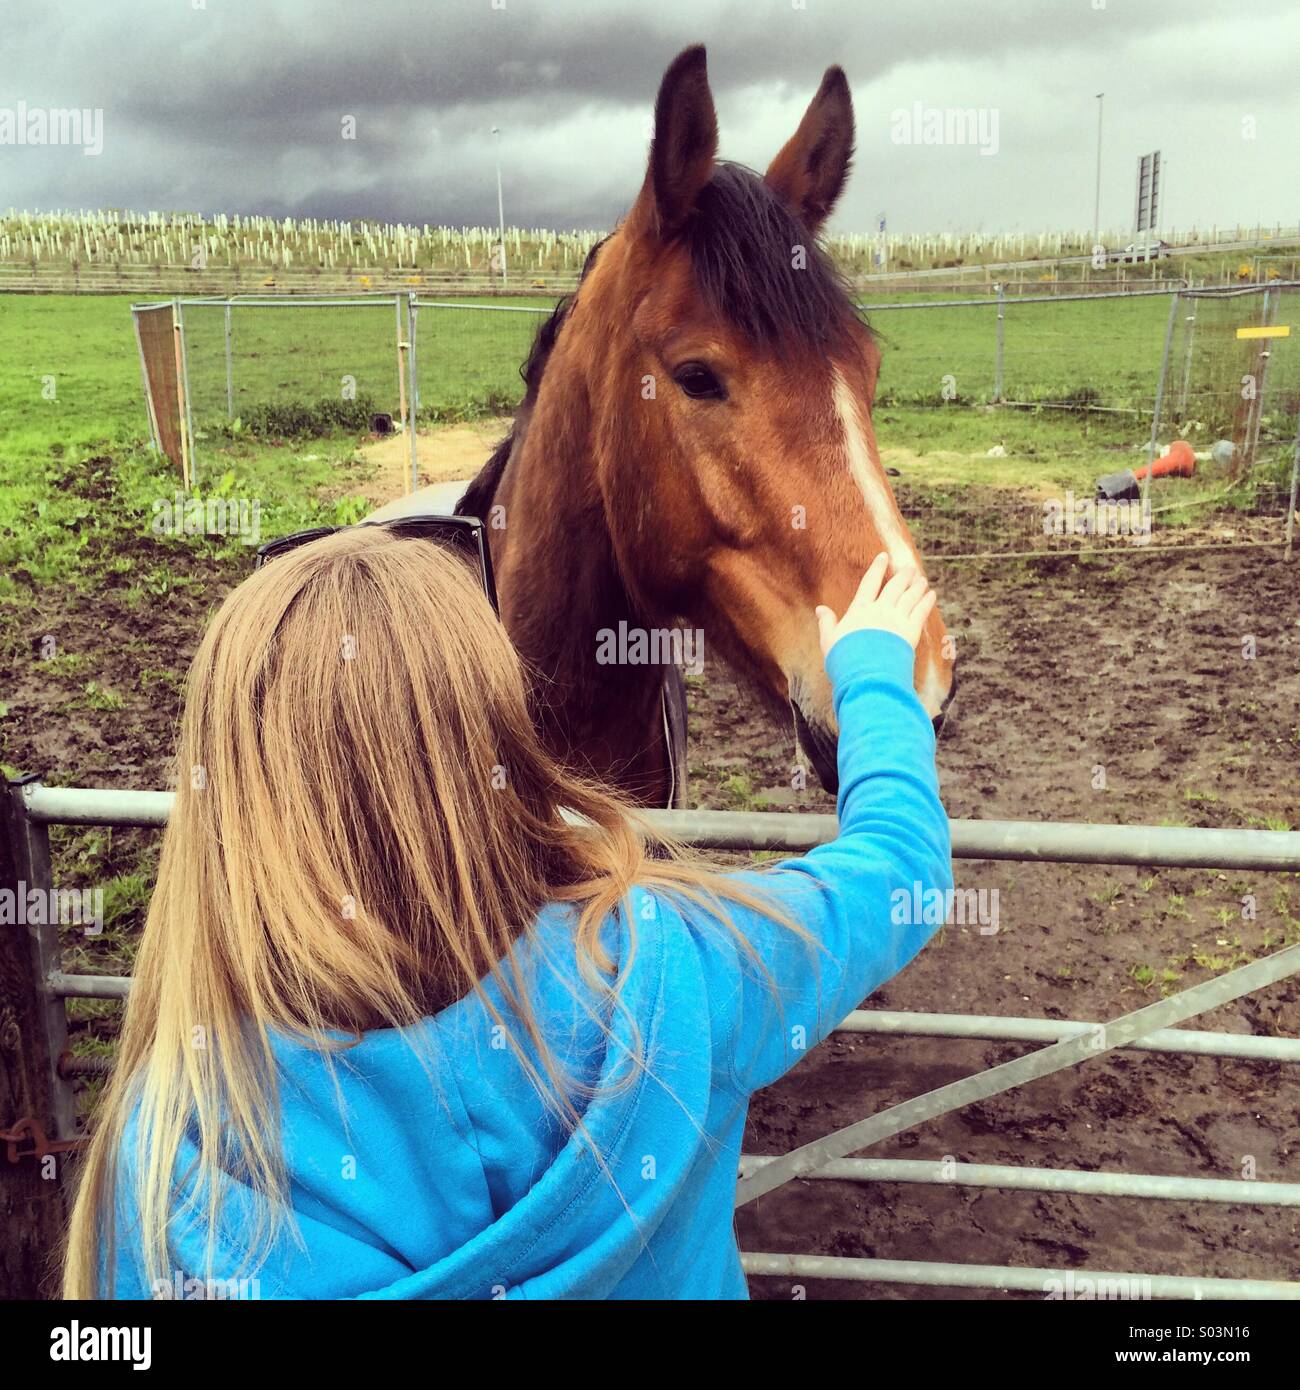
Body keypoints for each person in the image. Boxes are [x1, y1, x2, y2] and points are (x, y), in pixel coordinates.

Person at [63, 529, 950, 1300]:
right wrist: (872, 677)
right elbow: (897, 868)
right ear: (500, 736)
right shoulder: (676, 966)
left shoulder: (175, 1160)